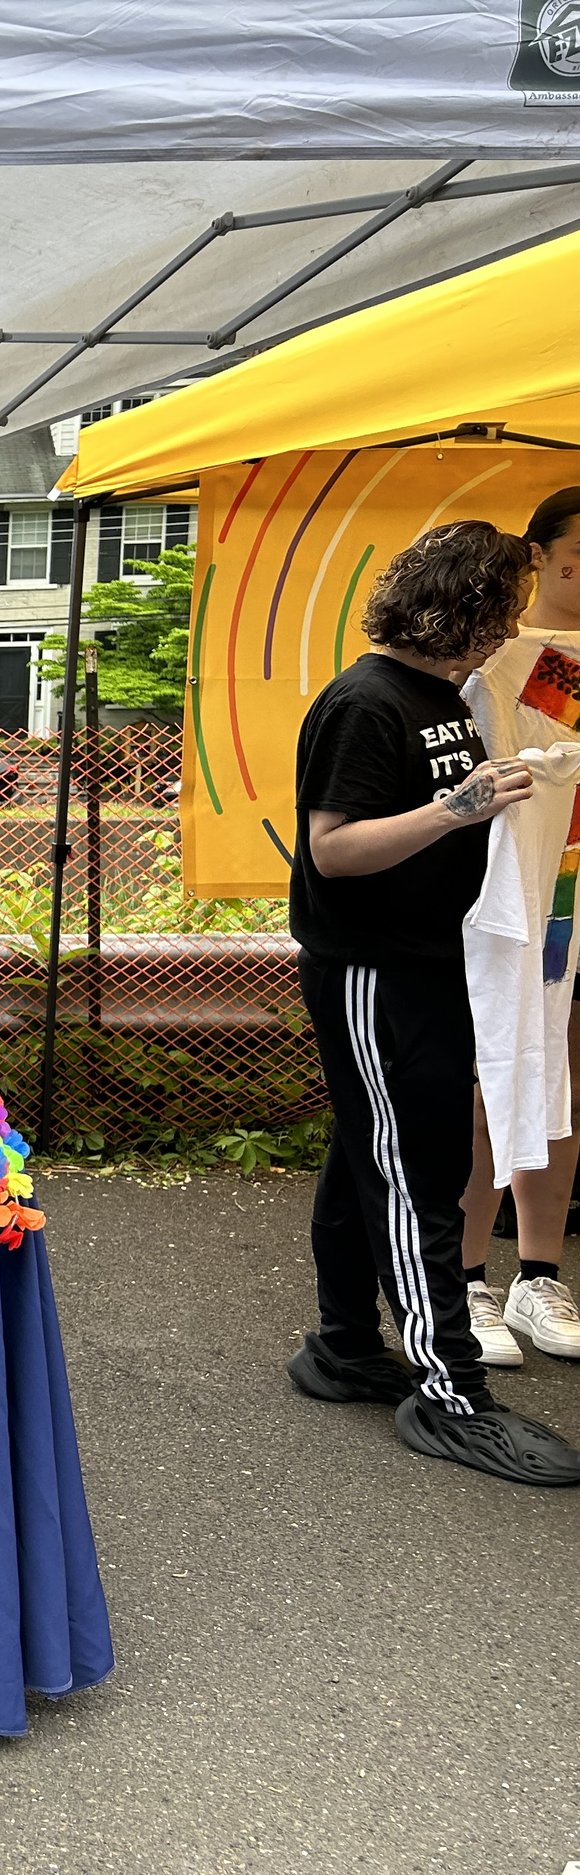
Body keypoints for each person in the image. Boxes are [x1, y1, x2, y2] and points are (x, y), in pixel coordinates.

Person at [283, 518, 580, 1486]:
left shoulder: (436, 694)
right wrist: (460, 806)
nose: (506, 631)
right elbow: (332, 849)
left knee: (362, 1151)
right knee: (411, 1167)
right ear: (457, 607)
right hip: (372, 968)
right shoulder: (365, 704)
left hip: (422, 957)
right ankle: (448, 1389)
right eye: (496, 612)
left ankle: (340, 1346)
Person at [460, 486, 580, 1366]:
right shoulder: (495, 659)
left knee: (565, 1070)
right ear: (538, 553)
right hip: (519, 895)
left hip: (572, 892)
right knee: (492, 1064)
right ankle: (465, 1277)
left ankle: (541, 1271)